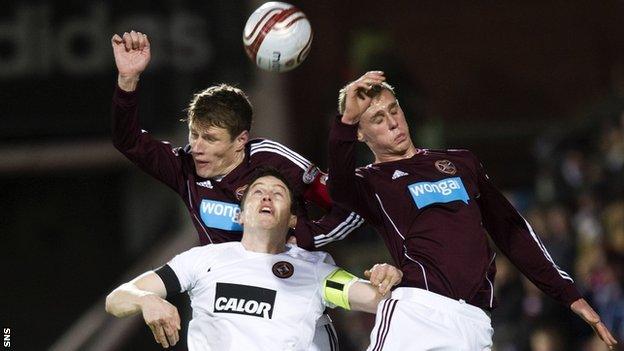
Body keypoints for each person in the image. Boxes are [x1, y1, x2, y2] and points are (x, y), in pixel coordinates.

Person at [327, 71, 618, 350]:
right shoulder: (370, 182)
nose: (393, 123)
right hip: (419, 313)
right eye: (378, 119)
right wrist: (346, 122)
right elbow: (338, 188)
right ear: (360, 134)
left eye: (394, 110)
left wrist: (568, 294)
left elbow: (511, 229)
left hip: (475, 322)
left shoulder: (461, 162)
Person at [110, 31, 363, 349]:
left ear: (241, 140)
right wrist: (128, 80)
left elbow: (347, 205)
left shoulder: (273, 162)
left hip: (292, 303)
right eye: (193, 135)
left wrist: (307, 238)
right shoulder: (185, 167)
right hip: (229, 311)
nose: (196, 148)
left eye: (210, 139)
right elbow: (129, 141)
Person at [105, 168, 402, 350]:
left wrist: (390, 276)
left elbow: (382, 302)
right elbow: (117, 299)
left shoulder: (315, 272)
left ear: (292, 220)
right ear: (240, 214)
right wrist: (147, 300)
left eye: (279, 194)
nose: (267, 198)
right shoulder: (202, 260)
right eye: (258, 192)